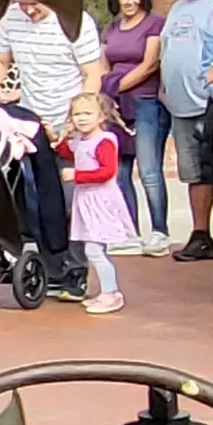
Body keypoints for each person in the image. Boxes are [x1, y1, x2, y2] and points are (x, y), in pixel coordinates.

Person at [156, 0, 213, 259]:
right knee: (193, 173)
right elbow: (166, 48)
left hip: (212, 104)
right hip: (180, 106)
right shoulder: (178, 8)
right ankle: (201, 236)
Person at [98, 0, 168, 250]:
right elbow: (103, 63)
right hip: (115, 107)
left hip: (145, 102)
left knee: (149, 170)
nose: (129, 1)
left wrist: (115, 87)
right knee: (120, 170)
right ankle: (130, 232)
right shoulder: (112, 28)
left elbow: (150, 65)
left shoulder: (155, 24)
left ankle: (160, 231)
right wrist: (107, 95)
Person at [0, 0, 105, 144]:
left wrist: (77, 118)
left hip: (68, 122)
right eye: (23, 4)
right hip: (27, 120)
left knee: (67, 168)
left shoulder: (77, 21)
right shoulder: (11, 17)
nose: (29, 11)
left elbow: (92, 75)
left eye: (34, 4)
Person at [58, 92, 132, 313]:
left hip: (100, 200)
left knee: (94, 249)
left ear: (101, 117)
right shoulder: (81, 139)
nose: (81, 118)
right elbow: (69, 152)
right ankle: (107, 291)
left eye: (87, 113)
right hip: (86, 199)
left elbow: (107, 172)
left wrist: (77, 175)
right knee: (94, 248)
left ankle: (111, 293)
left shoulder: (105, 141)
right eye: (77, 114)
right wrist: (61, 137)